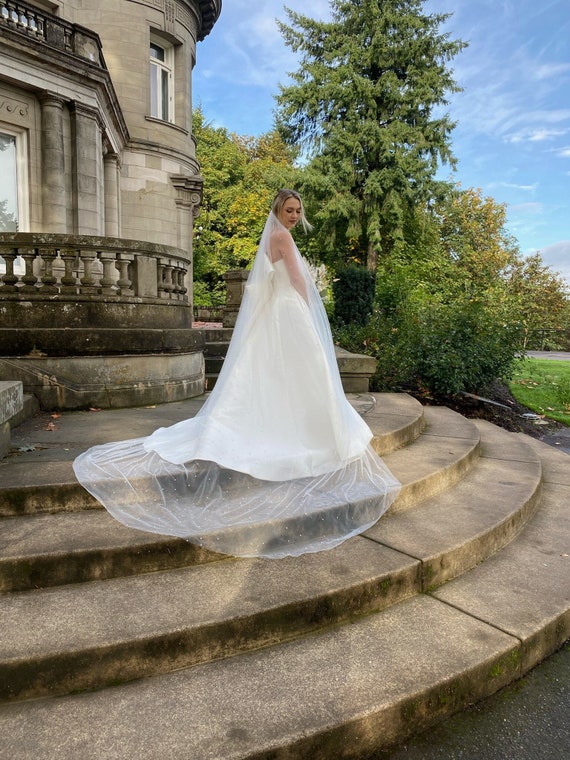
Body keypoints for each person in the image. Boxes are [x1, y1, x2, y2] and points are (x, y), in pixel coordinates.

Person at [73, 190, 400, 558]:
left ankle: (279, 426)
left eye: (297, 211)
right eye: (289, 210)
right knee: (302, 376)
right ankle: (306, 433)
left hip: (276, 315)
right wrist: (311, 313)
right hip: (289, 313)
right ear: (278, 210)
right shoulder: (282, 237)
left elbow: (262, 286)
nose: (294, 215)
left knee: (277, 377)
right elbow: (296, 281)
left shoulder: (269, 240)